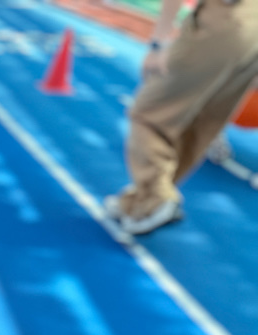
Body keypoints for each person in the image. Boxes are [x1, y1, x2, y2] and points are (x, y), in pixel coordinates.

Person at [104, 0, 258, 235]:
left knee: (148, 114)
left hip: (224, 20)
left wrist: (158, 43)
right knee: (200, 124)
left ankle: (155, 199)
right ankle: (140, 204)